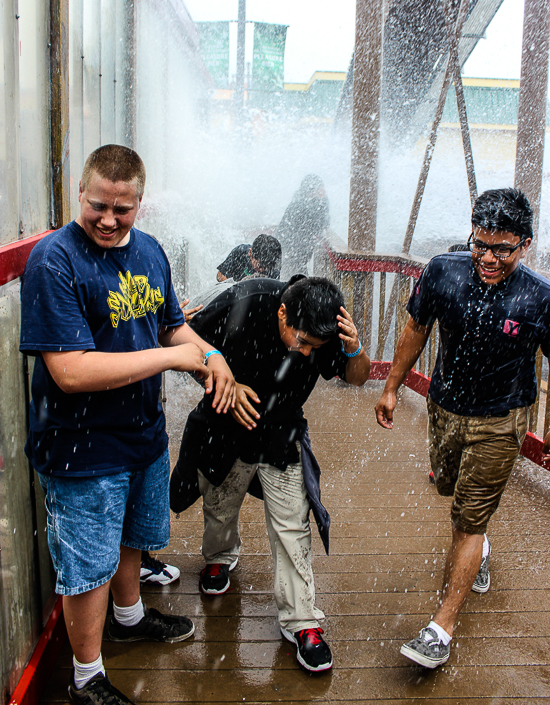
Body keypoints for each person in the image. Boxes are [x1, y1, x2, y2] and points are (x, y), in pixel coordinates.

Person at [19, 144, 235, 705]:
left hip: (142, 431)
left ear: (141, 202)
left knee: (134, 537)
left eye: (123, 209)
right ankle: (86, 678)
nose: (109, 221)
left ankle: (130, 617)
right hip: (79, 445)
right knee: (88, 564)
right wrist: (173, 359)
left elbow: (169, 328)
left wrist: (211, 355)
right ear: (80, 195)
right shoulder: (54, 260)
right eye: (98, 207)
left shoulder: (150, 252)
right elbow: (69, 371)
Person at [375, 188, 550, 669]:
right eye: (480, 245)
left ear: (526, 244)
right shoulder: (442, 271)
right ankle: (482, 540)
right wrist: (391, 386)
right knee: (449, 490)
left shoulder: (540, 297)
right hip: (445, 408)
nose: (488, 259)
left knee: (466, 521)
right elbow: (416, 327)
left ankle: (441, 629)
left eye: (502, 249)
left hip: (502, 419)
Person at [170, 275, 371, 673]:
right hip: (223, 425)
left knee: (293, 524)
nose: (305, 351)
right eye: (300, 341)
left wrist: (355, 349)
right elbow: (182, 343)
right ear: (282, 312)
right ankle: (220, 557)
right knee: (220, 504)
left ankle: (301, 621)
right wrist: (223, 382)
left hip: (282, 430)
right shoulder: (244, 300)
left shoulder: (326, 329)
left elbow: (358, 377)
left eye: (313, 347)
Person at [276, 174, 330, 278]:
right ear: (311, 190)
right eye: (321, 189)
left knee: (292, 277)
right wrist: (324, 201)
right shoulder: (306, 206)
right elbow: (323, 224)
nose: (324, 192)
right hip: (293, 252)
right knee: (294, 278)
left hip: (291, 252)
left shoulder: (300, 201)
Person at [216, 233, 282, 283]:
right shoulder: (240, 253)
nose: (262, 270)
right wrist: (237, 289)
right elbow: (220, 276)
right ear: (250, 253)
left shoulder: (274, 266)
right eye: (259, 265)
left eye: (267, 267)